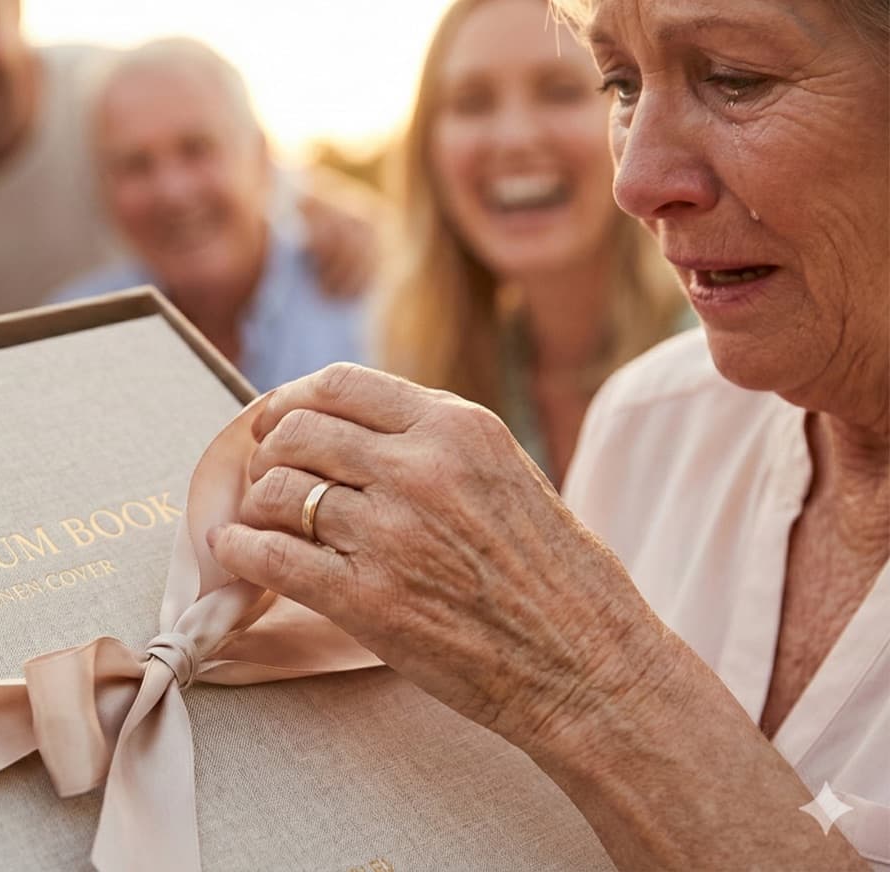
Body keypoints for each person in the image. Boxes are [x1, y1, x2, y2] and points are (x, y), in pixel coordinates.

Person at [206, 0, 888, 867]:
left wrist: (587, 677)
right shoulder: (645, 421)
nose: (634, 181)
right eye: (620, 85)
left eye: (735, 79)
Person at [0, 0, 379, 325]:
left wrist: (328, 206)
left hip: (119, 367)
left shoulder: (108, 92)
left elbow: (246, 168)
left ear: (15, 12)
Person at [375, 0, 688, 485]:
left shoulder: (717, 362)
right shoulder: (426, 367)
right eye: (472, 103)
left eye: (561, 92)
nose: (515, 137)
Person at [54, 39, 368, 391]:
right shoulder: (69, 339)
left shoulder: (375, 310)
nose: (172, 192)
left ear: (260, 157)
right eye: (135, 164)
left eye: (196, 149)